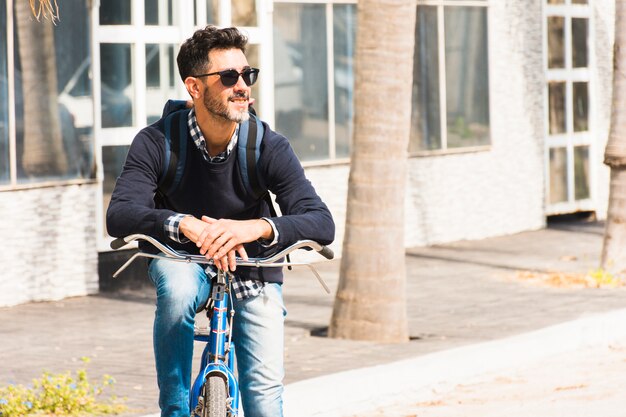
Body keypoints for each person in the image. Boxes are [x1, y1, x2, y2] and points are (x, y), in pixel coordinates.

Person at [106, 25, 335, 417]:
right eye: (229, 77)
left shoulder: (267, 145)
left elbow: (320, 222)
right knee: (176, 295)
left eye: (247, 75)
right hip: (182, 259)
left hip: (253, 265)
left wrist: (253, 228)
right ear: (194, 88)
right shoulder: (156, 141)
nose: (243, 85)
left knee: (263, 399)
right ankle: (175, 410)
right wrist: (184, 224)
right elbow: (120, 214)